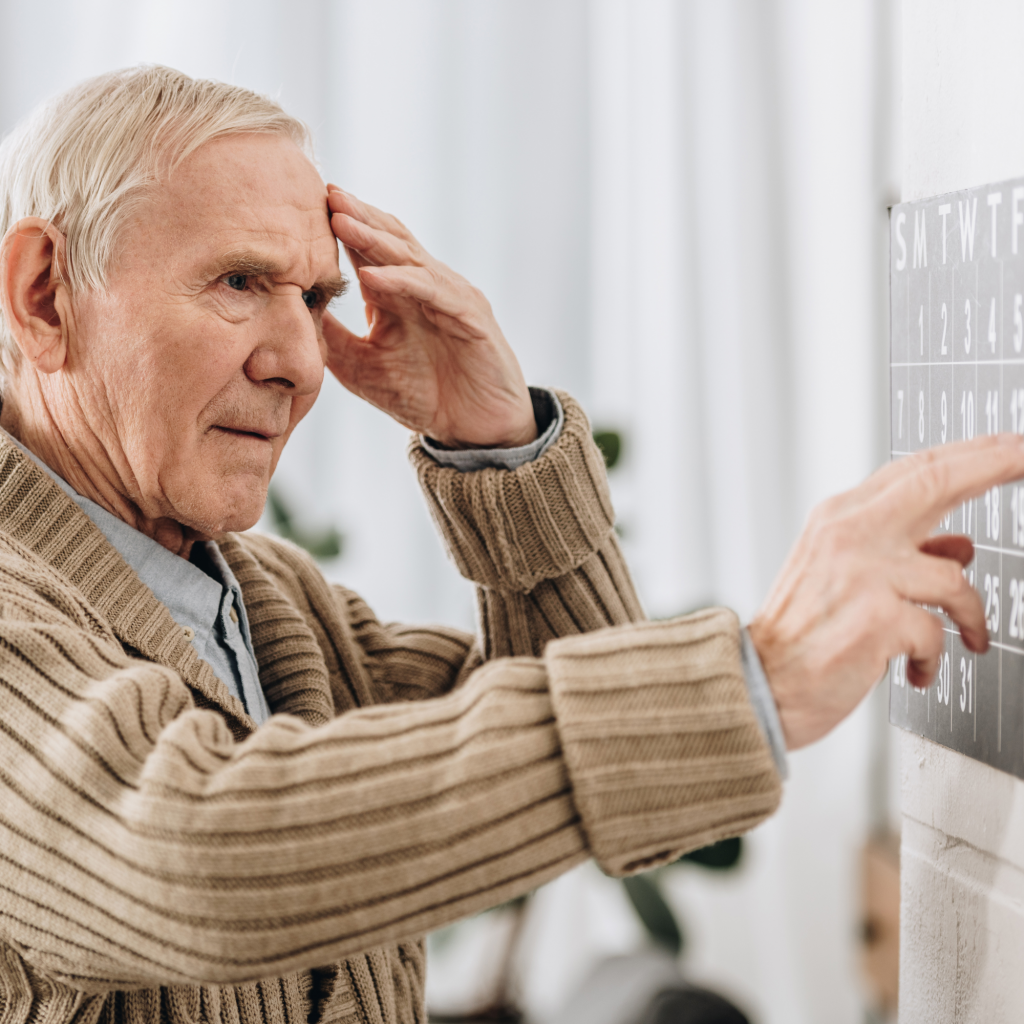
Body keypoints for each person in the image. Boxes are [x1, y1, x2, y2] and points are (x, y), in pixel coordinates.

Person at [0, 65, 1015, 1024]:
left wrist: (499, 448)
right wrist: (754, 674)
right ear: (44, 292)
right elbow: (194, 853)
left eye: (313, 297)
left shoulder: (271, 603)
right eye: (236, 280)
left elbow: (585, 779)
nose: (302, 362)